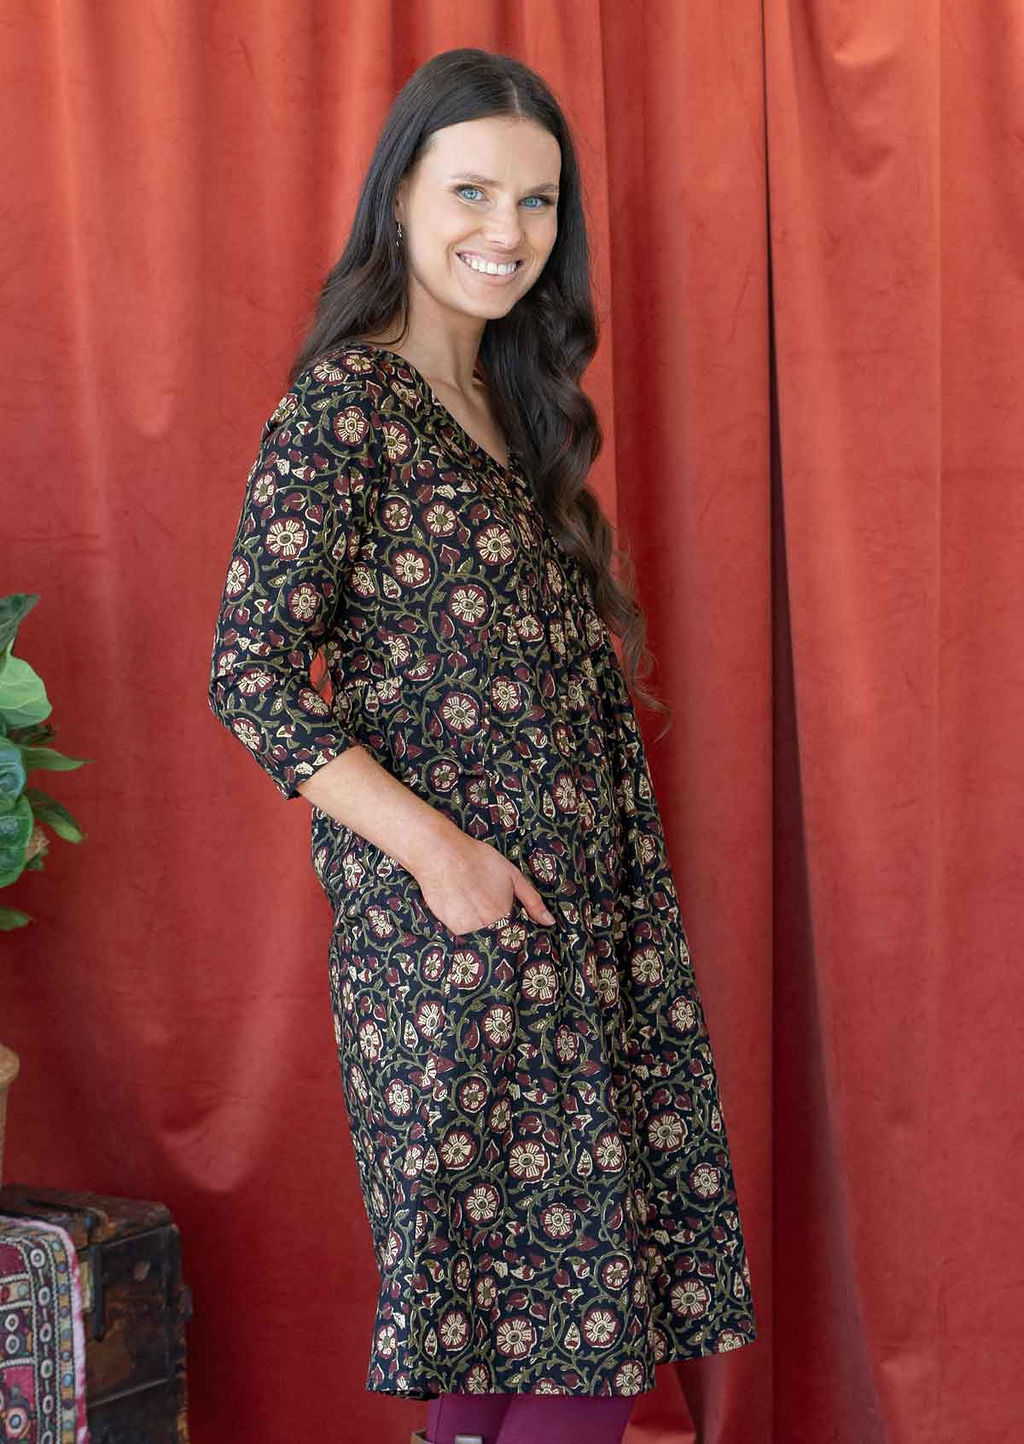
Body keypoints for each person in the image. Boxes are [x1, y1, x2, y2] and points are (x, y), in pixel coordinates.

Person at [208, 46, 758, 1444]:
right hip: (450, 948)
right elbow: (252, 674)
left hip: (584, 931)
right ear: (398, 196)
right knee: (565, 1342)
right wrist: (439, 856)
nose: (506, 234)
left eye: (538, 202)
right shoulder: (347, 409)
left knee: (517, 1336)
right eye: (471, 192)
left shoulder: (511, 416)